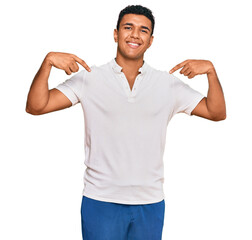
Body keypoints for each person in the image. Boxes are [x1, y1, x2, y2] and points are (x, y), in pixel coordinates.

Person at [25, 4, 226, 240]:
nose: (134, 35)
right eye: (128, 27)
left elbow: (216, 112)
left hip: (150, 202)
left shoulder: (167, 84)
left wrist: (211, 72)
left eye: (143, 30)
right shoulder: (89, 78)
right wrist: (47, 63)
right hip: (100, 200)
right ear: (116, 33)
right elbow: (36, 106)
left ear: (150, 40)